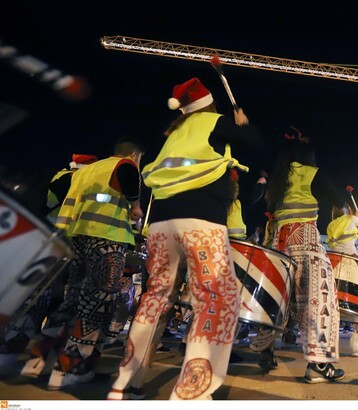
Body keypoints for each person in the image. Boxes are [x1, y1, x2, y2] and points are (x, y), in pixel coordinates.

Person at [108, 77, 263, 400]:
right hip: (201, 220)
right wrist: (243, 123)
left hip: (162, 223)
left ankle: (125, 382)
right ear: (209, 104)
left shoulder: (174, 133)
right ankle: (192, 393)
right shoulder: (215, 122)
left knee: (156, 295)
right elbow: (256, 142)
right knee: (216, 297)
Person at [19, 139, 144, 389]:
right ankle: (71, 370)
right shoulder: (125, 164)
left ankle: (36, 360)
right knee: (97, 305)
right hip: (106, 239)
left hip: (78, 239)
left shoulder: (85, 171)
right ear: (134, 153)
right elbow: (129, 177)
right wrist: (136, 206)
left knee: (73, 300)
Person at [264, 125, 347, 383]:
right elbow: (338, 200)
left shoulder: (278, 179)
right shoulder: (312, 174)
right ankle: (319, 366)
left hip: (279, 245)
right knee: (320, 302)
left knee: (276, 301)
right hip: (307, 244)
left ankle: (265, 351)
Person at [0, 153, 98, 366]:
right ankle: (18, 352)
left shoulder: (53, 176)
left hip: (35, 242)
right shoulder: (71, 180)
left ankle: (12, 349)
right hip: (53, 245)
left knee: (32, 296)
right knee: (46, 299)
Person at [326, 204, 358, 357]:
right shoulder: (351, 218)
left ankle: (325, 345)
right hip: (351, 266)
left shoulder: (331, 224)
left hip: (333, 265)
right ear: (348, 211)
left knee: (330, 307)